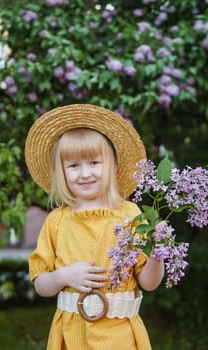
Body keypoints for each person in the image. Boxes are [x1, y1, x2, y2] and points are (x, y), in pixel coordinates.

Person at [25, 104, 164, 350]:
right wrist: (63, 276)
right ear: (62, 173)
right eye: (73, 166)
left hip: (121, 337)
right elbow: (41, 284)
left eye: (94, 162)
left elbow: (149, 283)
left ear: (111, 164)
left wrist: (158, 252)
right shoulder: (57, 220)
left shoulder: (131, 215)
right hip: (71, 337)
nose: (84, 173)